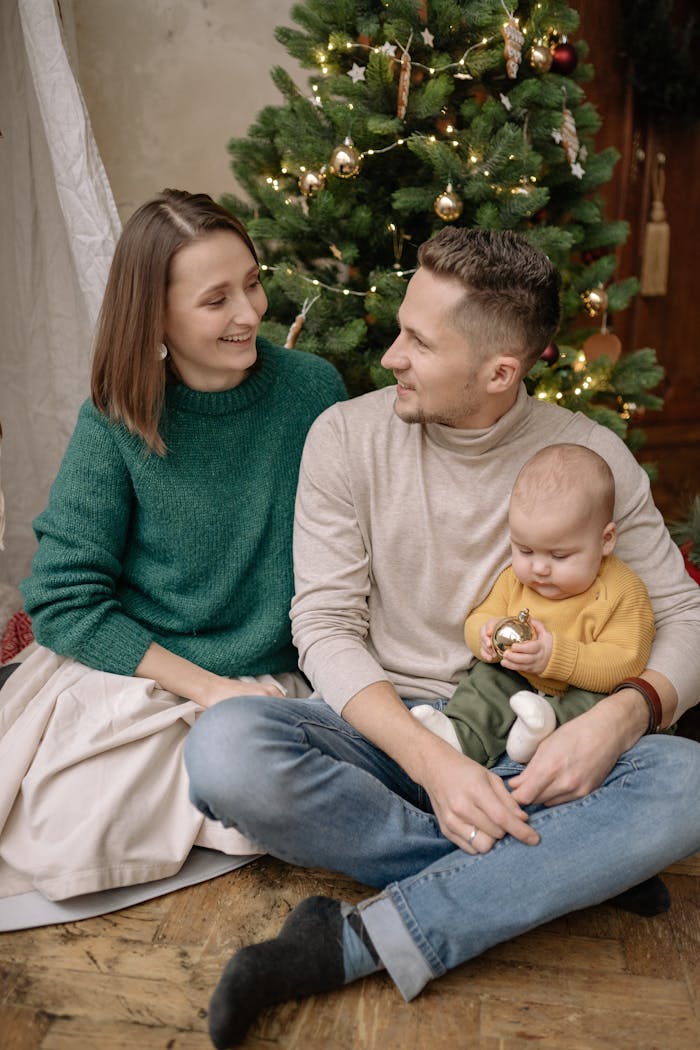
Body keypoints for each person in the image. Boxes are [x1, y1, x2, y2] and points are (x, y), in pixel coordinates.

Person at [184, 227, 700, 1050]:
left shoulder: (593, 456)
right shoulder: (347, 438)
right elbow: (322, 625)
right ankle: (567, 872)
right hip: (395, 734)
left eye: (419, 342)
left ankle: (354, 941)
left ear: (500, 371)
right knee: (224, 748)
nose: (391, 356)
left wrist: (621, 718)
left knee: (692, 780)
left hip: (539, 745)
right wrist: (438, 765)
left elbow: (685, 616)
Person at [0, 189, 346, 901]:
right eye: (216, 299)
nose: (250, 313)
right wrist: (210, 690)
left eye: (251, 283)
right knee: (70, 834)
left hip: (275, 674)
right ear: (155, 315)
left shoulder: (313, 391)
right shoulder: (117, 417)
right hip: (144, 669)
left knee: (253, 793)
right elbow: (65, 601)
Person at [410, 442, 656, 765]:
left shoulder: (622, 591)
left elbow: (626, 661)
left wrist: (556, 656)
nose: (538, 568)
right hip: (520, 675)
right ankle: (460, 735)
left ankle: (543, 733)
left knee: (597, 704)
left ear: (605, 540)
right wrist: (487, 633)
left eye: (559, 555)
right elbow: (481, 616)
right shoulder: (516, 579)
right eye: (524, 550)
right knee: (488, 679)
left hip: (578, 688)